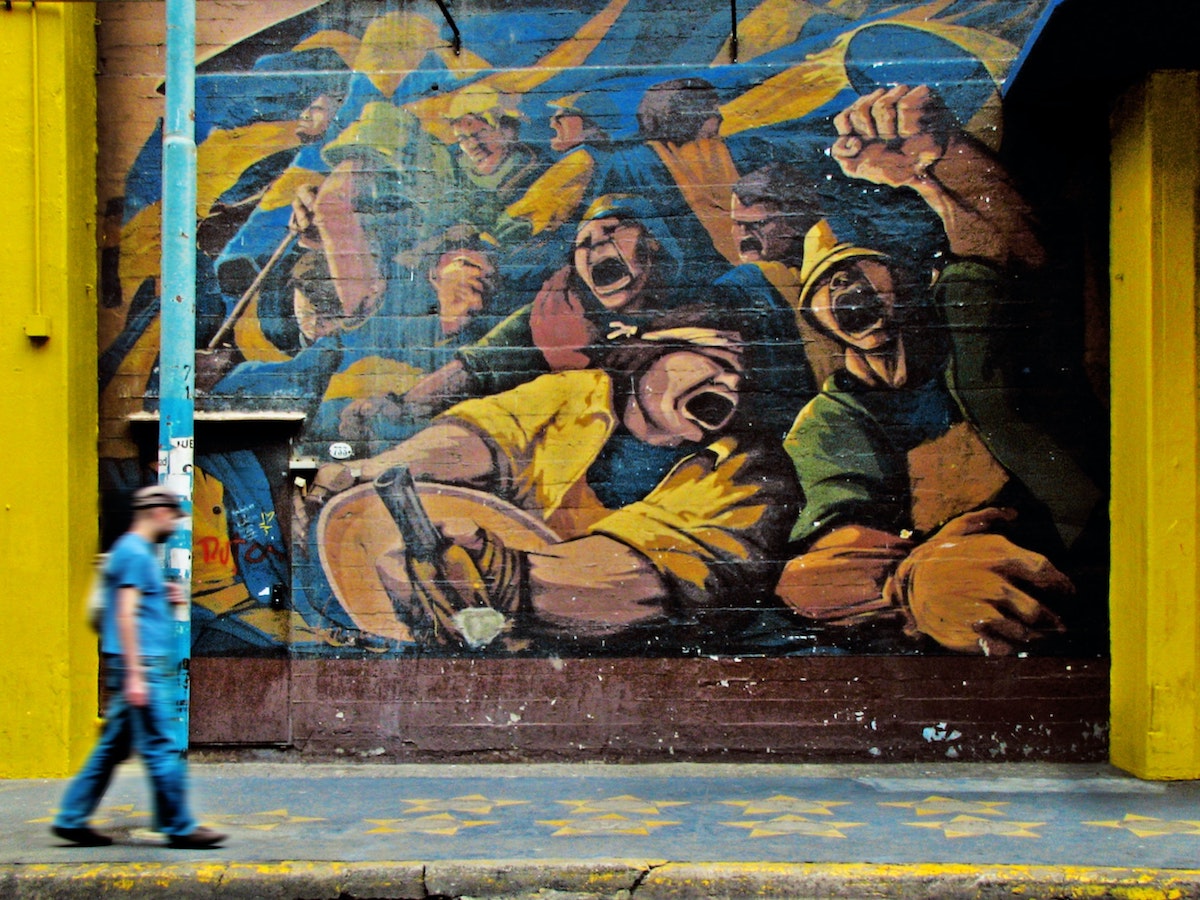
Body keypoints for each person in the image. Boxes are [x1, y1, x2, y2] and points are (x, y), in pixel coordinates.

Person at [775, 85, 1101, 656]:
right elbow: (816, 563)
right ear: (815, 316)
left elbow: (1010, 250)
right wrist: (910, 583)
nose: (847, 289)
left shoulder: (966, 335)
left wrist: (934, 165)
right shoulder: (834, 418)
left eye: (860, 268)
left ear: (902, 279)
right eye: (827, 283)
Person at [313, 308, 801, 655]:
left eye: (742, 380)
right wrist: (370, 473)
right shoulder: (577, 392)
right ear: (652, 350)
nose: (731, 386)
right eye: (718, 361)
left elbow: (655, 576)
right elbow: (485, 433)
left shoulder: (751, 472)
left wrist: (508, 579)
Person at [52, 486, 227, 849]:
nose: (177, 522)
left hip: (135, 664)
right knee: (160, 745)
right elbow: (125, 613)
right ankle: (180, 827)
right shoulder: (134, 551)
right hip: (141, 666)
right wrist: (134, 675)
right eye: (175, 513)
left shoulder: (136, 553)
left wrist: (161, 593)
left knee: (113, 748)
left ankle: (71, 818)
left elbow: (133, 602)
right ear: (157, 512)